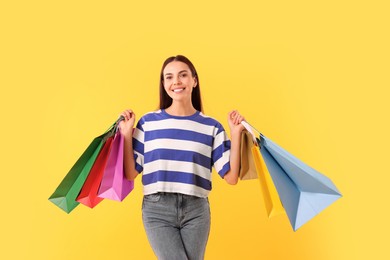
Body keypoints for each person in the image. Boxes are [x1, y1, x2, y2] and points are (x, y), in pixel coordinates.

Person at [118, 55, 245, 260]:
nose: (176, 81)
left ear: (194, 80)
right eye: (169, 77)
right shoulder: (148, 123)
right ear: (164, 84)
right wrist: (126, 135)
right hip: (157, 208)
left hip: (196, 210)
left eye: (182, 75)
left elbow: (231, 177)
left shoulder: (211, 127)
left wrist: (236, 133)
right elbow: (131, 172)